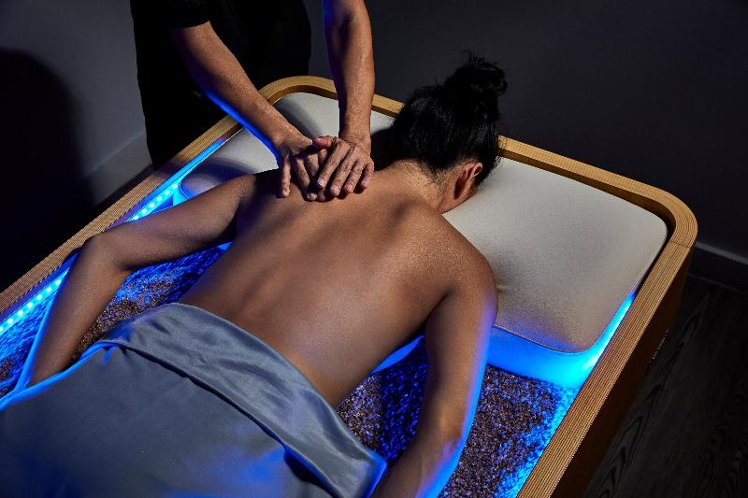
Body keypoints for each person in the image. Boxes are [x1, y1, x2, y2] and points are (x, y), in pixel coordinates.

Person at [0, 57, 506, 497]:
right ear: (468, 176)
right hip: (238, 450)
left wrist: (35, 395)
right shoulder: (464, 269)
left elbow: (105, 249)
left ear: (394, 142)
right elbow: (442, 435)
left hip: (89, 402)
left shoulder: (284, 184)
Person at [131, 0, 376, 201]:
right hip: (190, 88)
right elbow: (197, 36)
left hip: (277, 48)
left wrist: (356, 135)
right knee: (190, 199)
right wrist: (284, 137)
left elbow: (347, 16)